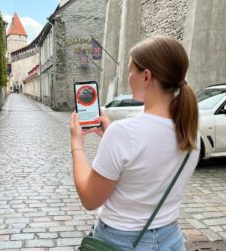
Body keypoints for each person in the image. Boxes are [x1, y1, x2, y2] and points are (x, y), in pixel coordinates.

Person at [70, 35, 200, 251]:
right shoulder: (189, 130)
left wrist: (77, 144)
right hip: (171, 239)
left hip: (121, 242)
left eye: (131, 70)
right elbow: (150, 154)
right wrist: (112, 133)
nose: (129, 77)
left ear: (146, 76)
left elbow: (89, 199)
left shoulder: (124, 134)